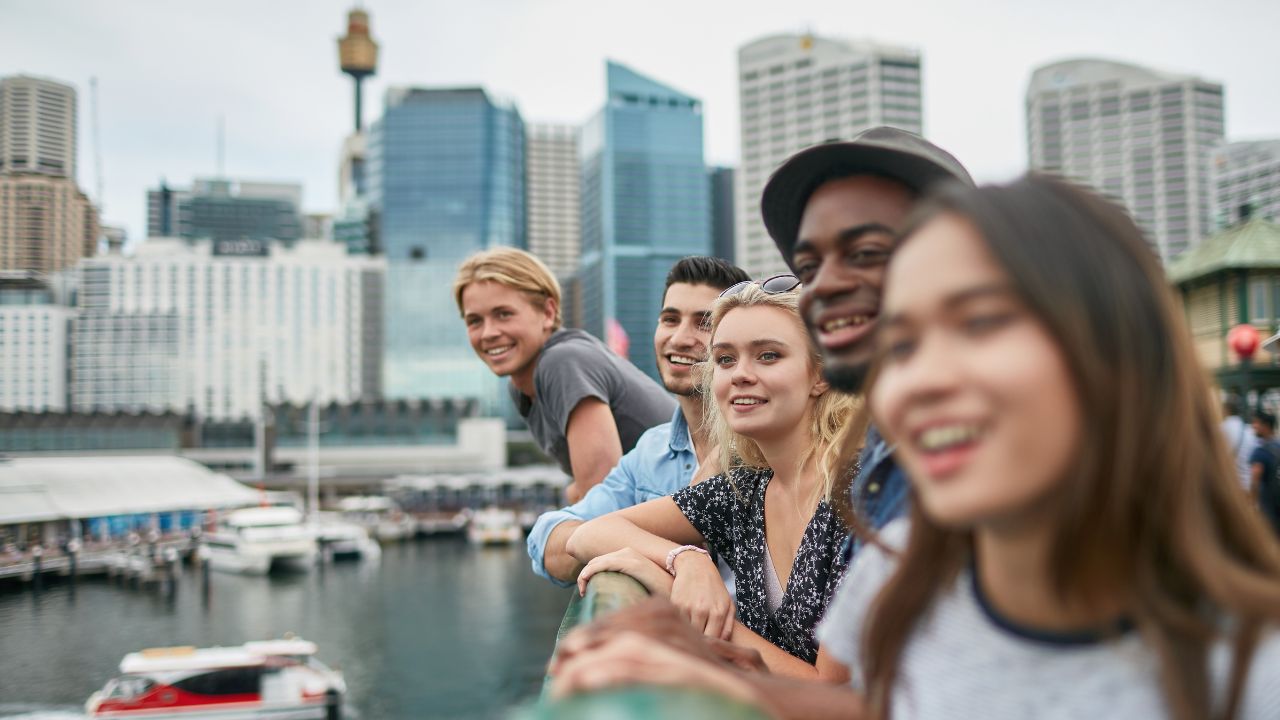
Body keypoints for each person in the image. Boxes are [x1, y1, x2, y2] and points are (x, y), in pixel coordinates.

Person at [551, 176, 1280, 719]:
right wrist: (686, 608)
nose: (920, 380)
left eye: (981, 325)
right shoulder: (902, 567)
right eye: (899, 346)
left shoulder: (1249, 666)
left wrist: (713, 658)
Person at [566, 280, 859, 679]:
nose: (740, 375)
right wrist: (686, 559)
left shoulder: (860, 494)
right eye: (725, 359)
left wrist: (669, 590)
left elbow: (830, 695)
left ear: (821, 375)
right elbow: (587, 534)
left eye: (768, 355)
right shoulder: (745, 492)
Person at [760, 126, 973, 542]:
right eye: (808, 267)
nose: (822, 285)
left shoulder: (1023, 452)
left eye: (864, 254)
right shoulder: (882, 451)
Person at [527, 256, 750, 584]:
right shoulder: (651, 452)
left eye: (704, 323)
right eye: (670, 319)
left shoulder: (767, 447)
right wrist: (677, 554)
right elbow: (548, 543)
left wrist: (617, 535)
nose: (680, 338)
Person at [454, 247, 675, 503]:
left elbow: (604, 498)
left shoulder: (562, 363)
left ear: (548, 313)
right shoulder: (522, 387)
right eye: (474, 321)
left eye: (504, 314)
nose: (488, 333)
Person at [1251, 411, 1280, 535]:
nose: (1254, 426)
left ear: (1266, 426)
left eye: (1256, 423)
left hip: (1268, 509)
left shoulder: (1261, 451)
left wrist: (1252, 503)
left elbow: (1255, 479)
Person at [1224, 397, 1259, 492]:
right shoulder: (1250, 431)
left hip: (1228, 486)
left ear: (1226, 410)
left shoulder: (1220, 429)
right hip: (1247, 485)